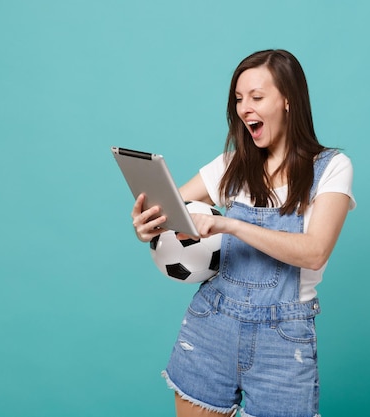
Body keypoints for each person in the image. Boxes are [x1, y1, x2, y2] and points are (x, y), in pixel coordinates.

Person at [131, 49, 355, 417]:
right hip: (212, 324)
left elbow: (314, 251)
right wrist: (147, 224)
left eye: (256, 97)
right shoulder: (233, 164)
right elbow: (168, 208)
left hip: (283, 339)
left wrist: (228, 223)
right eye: (238, 99)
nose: (244, 108)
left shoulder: (330, 168)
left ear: (287, 100)